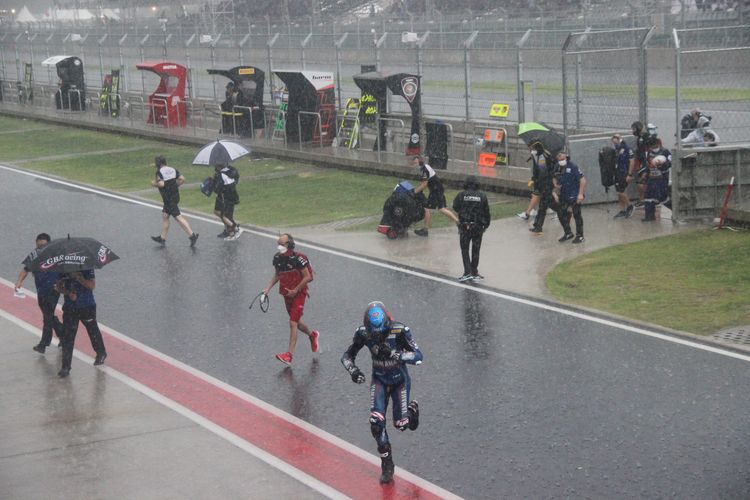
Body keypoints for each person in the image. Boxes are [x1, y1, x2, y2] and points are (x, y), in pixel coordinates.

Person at [341, 301, 422, 484]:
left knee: (401, 425)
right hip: (378, 379)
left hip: (399, 381)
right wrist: (353, 371)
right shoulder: (362, 332)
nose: (376, 337)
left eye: (380, 333)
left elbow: (418, 356)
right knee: (376, 423)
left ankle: (412, 412)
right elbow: (346, 356)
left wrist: (396, 354)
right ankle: (387, 463)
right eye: (373, 333)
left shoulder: (401, 330)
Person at [262, 233, 320, 366]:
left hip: (299, 293)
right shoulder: (277, 258)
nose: (279, 246)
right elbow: (277, 275)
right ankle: (312, 335)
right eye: (278, 243)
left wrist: (296, 290)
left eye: (282, 244)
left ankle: (289, 355)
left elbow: (308, 277)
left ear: (290, 244)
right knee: (298, 323)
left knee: (293, 323)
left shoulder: (299, 259)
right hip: (287, 294)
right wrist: (267, 288)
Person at [15, 233, 63, 353]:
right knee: (49, 315)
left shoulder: (56, 255)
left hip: (54, 290)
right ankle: (63, 334)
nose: (41, 248)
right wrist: (19, 282)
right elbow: (26, 269)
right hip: (41, 291)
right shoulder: (34, 255)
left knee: (47, 317)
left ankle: (43, 344)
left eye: (43, 246)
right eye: (39, 246)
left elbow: (65, 271)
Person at [55, 270, 107, 378]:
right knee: (68, 338)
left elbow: (92, 285)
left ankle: (101, 353)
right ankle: (66, 367)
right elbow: (58, 287)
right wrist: (68, 293)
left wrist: (79, 278)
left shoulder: (86, 267)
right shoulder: (63, 267)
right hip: (70, 308)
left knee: (92, 330)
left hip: (87, 306)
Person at [150, 156, 199, 247]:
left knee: (178, 217)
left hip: (168, 199)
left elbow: (161, 184)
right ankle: (162, 238)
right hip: (175, 196)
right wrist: (175, 185)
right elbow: (182, 179)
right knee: (165, 216)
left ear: (158, 164)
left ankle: (192, 235)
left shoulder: (159, 172)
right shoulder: (172, 169)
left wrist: (154, 184)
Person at [452, 175, 491, 282]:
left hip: (465, 226)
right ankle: (474, 271)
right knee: (476, 249)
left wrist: (464, 212)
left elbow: (455, 206)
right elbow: (486, 211)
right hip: (478, 226)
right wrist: (486, 224)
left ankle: (467, 272)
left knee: (465, 249)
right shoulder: (482, 195)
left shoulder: (461, 195)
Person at [410, 154, 458, 236]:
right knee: (442, 209)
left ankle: (425, 230)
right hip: (438, 189)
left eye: (415, 163)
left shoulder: (424, 170)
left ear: (420, 162)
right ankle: (459, 223)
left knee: (426, 208)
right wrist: (419, 190)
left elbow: (424, 184)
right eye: (413, 163)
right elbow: (424, 183)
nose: (414, 165)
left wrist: (415, 191)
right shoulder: (425, 167)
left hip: (435, 190)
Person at [553, 152, 587, 244]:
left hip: (574, 194)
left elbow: (582, 180)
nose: (561, 161)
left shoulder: (573, 167)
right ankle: (568, 233)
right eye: (559, 159)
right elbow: (554, 177)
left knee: (577, 214)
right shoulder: (557, 167)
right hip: (564, 194)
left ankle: (580, 235)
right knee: (561, 213)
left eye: (562, 159)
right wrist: (555, 187)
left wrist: (580, 194)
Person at [528, 142, 557, 235]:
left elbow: (545, 172)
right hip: (542, 185)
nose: (531, 150)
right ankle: (538, 226)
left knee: (547, 205)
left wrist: (540, 182)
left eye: (532, 148)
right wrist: (533, 179)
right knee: (542, 207)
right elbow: (536, 171)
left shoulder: (544, 156)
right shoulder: (537, 156)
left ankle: (565, 214)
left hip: (546, 185)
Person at [641, 136, 672, 222]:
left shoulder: (665, 152)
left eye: (653, 146)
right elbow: (648, 164)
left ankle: (676, 211)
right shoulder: (649, 152)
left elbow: (670, 163)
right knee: (648, 197)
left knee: (662, 197)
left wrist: (662, 165)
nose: (652, 148)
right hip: (652, 178)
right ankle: (649, 216)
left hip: (662, 179)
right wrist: (645, 173)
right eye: (650, 146)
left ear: (658, 144)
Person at [212, 162, 242, 240]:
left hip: (224, 196)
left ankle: (235, 228)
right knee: (221, 213)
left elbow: (217, 189)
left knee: (224, 215)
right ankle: (229, 231)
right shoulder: (231, 170)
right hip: (232, 194)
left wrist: (214, 181)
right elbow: (237, 180)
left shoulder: (220, 175)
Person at [611, 134, 635, 219]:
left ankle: (630, 206)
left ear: (620, 139)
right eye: (613, 142)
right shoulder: (616, 150)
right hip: (617, 173)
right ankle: (622, 210)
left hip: (624, 172)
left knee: (621, 192)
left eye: (616, 141)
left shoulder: (627, 148)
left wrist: (629, 174)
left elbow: (632, 161)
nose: (615, 143)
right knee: (619, 193)